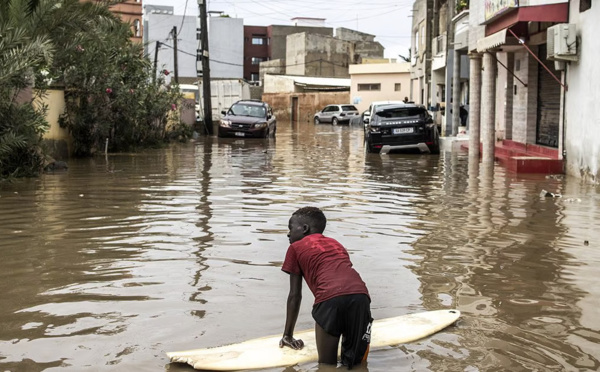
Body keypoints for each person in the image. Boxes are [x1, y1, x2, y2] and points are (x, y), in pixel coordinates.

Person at [280, 207, 372, 368]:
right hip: (361, 297)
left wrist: (287, 335)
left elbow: (295, 295)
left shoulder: (295, 248)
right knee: (355, 364)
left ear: (304, 229)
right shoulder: (336, 244)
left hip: (330, 299)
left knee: (326, 365)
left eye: (290, 228)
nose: (288, 234)